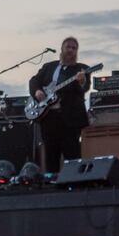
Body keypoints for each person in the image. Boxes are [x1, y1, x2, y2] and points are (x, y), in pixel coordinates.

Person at [29, 37, 92, 174]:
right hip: (48, 119)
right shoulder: (48, 67)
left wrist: (81, 82)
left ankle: (74, 185)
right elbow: (34, 81)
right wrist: (37, 91)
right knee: (51, 157)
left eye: (74, 48)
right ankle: (52, 188)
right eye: (68, 47)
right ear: (62, 49)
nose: (71, 50)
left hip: (70, 120)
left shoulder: (82, 69)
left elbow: (84, 88)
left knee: (73, 156)